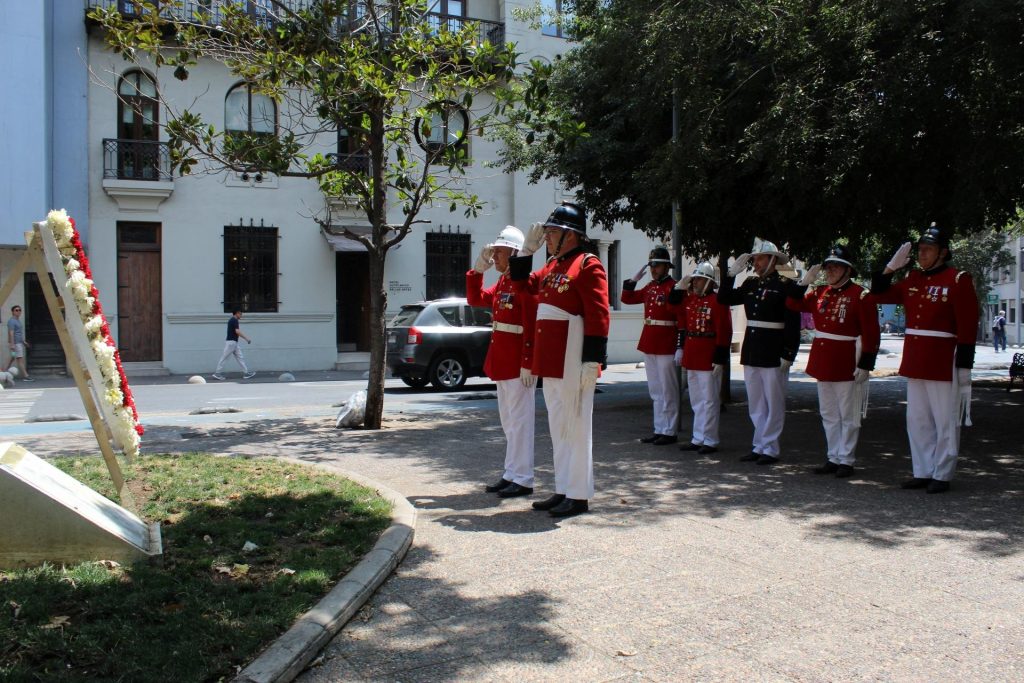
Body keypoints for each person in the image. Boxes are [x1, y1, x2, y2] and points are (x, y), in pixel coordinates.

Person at [509, 201, 610, 518]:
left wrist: (592, 361)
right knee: (559, 427)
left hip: (573, 355)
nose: (547, 238)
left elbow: (598, 315)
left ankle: (578, 495)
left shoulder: (588, 264)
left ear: (571, 235)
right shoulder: (553, 266)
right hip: (553, 358)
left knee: (576, 426)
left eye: (552, 232)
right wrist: (526, 253)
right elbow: (522, 285)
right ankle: (564, 488)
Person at [870, 225, 978, 493]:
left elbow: (967, 324)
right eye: (920, 249)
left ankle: (942, 473)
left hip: (942, 359)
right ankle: (922, 470)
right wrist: (889, 269)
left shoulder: (957, 279)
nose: (922, 254)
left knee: (944, 419)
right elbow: (879, 295)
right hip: (917, 358)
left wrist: (964, 364)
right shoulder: (913, 279)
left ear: (943, 253)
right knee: (917, 419)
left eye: (928, 249)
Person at [786, 245, 881, 478]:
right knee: (828, 413)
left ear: (847, 270)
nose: (830, 271)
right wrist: (802, 283)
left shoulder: (861, 295)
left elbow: (871, 332)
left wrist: (866, 363)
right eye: (828, 267)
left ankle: (846, 459)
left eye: (835, 266)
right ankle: (833, 456)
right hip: (823, 359)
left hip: (846, 359)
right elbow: (792, 304)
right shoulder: (821, 292)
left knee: (847, 414)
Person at [467, 226, 539, 498]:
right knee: (509, 422)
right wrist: (478, 270)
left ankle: (523, 478)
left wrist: (528, 361)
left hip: (518, 362)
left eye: (499, 251)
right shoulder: (503, 283)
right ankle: (511, 473)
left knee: (520, 422)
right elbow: (475, 299)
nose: (494, 256)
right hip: (502, 360)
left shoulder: (526, 282)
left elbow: (531, 324)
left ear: (515, 253)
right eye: (494, 251)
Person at [718, 239, 802, 465]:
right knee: (755, 402)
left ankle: (771, 448)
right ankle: (759, 445)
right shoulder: (751, 284)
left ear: (772, 260)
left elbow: (793, 320)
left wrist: (789, 352)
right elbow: (723, 299)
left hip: (774, 349)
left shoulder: (785, 285)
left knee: (773, 402)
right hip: (753, 348)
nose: (755, 263)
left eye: (759, 258)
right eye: (754, 259)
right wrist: (729, 275)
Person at [621, 245, 680, 445]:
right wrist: (632, 282)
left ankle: (670, 431)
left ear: (666, 267)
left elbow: (679, 315)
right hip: (649, 341)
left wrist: (680, 345)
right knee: (655, 390)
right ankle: (659, 428)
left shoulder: (674, 287)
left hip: (665, 342)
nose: (654, 269)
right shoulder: (650, 287)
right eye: (652, 265)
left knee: (668, 389)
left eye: (658, 265)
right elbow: (626, 299)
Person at [672, 262, 732, 454]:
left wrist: (720, 357)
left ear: (708, 281)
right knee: (696, 400)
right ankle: (698, 438)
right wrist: (678, 288)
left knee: (710, 400)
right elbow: (673, 307)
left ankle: (710, 439)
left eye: (698, 279)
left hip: (709, 354)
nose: (695, 282)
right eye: (695, 279)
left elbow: (724, 330)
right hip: (693, 353)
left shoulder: (718, 301)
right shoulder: (691, 300)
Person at [212, 310, 255, 380]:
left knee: (240, 357)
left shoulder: (232, 320)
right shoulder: (234, 320)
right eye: (240, 314)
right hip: (231, 343)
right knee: (225, 357)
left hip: (234, 343)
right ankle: (217, 373)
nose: (241, 316)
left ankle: (246, 373)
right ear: (237, 313)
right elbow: (237, 331)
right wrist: (246, 338)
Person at [7, 305, 32, 382]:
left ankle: (2, 371)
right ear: (13, 312)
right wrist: (12, 344)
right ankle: (26, 376)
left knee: (12, 358)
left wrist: (23, 342)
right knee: (19, 359)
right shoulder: (12, 321)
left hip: (18, 343)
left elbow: (19, 333)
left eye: (19, 310)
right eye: (16, 310)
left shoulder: (18, 321)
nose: (18, 312)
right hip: (16, 344)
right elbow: (11, 333)